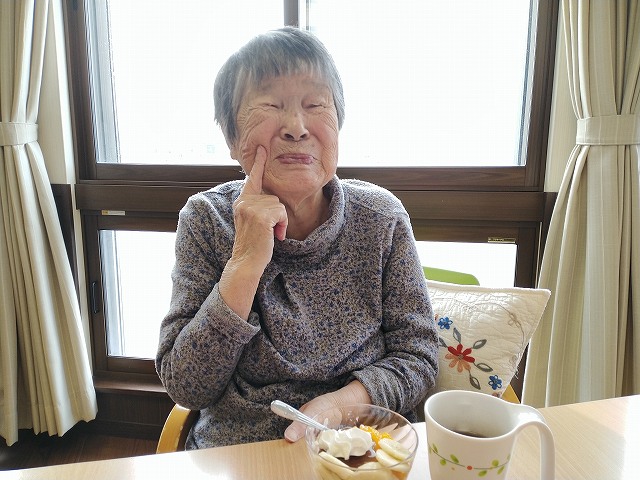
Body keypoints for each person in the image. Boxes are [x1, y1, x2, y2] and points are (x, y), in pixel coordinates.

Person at [156, 26, 439, 449]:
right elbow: (187, 386)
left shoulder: (381, 218)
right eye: (270, 105)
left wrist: (341, 405)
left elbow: (418, 356)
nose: (296, 127)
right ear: (232, 139)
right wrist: (244, 262)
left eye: (315, 104)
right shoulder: (206, 219)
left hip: (360, 444)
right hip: (240, 452)